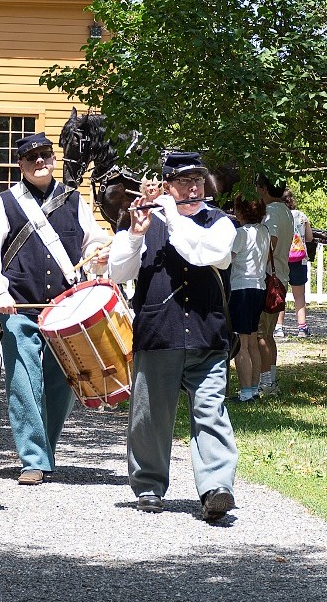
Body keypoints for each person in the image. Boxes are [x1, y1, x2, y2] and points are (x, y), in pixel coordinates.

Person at [108, 151, 239, 522]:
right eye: (182, 181)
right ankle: (148, 487)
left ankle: (217, 488)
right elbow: (119, 271)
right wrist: (135, 232)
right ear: (167, 185)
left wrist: (170, 214)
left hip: (207, 334)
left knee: (211, 412)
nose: (192, 187)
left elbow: (204, 254)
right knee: (149, 417)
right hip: (159, 331)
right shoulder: (147, 222)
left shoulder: (220, 223)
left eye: (197, 180)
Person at [0, 132, 109, 486]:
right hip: (19, 307)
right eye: (31, 157)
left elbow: (94, 238)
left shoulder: (73, 200)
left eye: (45, 155)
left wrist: (100, 251)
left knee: (61, 383)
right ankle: (33, 459)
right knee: (24, 381)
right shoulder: (5, 203)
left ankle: (44, 450)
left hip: (65, 309)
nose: (40, 162)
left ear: (53, 159)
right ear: (20, 164)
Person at [229, 196, 271, 403]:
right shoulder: (264, 232)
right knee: (252, 341)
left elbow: (228, 258)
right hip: (259, 288)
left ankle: (245, 392)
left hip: (241, 289)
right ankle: (253, 387)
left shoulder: (241, 233)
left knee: (241, 344)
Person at [256, 175, 293, 394]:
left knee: (262, 334)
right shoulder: (285, 211)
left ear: (263, 188)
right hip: (280, 276)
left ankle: (266, 383)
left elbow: (270, 243)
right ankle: (271, 380)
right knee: (268, 334)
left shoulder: (272, 212)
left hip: (270, 278)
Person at [281, 189, 313, 338]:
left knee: (280, 294)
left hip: (282, 259)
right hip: (299, 259)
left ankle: (279, 327)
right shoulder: (301, 216)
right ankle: (302, 327)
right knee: (299, 296)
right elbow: (310, 238)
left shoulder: (277, 216)